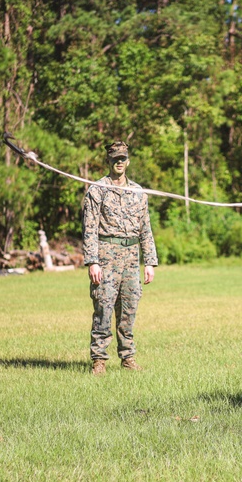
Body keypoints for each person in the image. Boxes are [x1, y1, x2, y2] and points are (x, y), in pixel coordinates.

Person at [82, 141, 158, 376]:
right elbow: (89, 228)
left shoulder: (138, 191)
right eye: (115, 158)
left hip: (131, 257)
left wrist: (150, 262)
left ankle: (127, 357)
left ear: (128, 161)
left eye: (123, 158)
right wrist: (92, 261)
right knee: (103, 308)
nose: (119, 162)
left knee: (129, 308)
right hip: (106, 254)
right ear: (109, 160)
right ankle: (99, 360)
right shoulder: (97, 189)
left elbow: (145, 228)